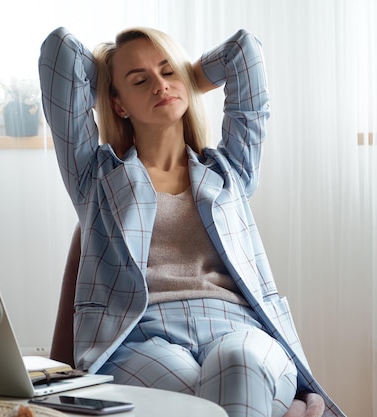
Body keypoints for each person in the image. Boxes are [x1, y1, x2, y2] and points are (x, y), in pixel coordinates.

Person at [39, 26, 345, 417]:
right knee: (201, 401)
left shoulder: (229, 171)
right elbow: (59, 53)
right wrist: (110, 73)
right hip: (140, 337)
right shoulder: (96, 179)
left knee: (240, 364)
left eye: (167, 71)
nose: (159, 85)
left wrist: (189, 78)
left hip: (240, 326)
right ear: (118, 104)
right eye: (140, 80)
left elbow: (243, 51)